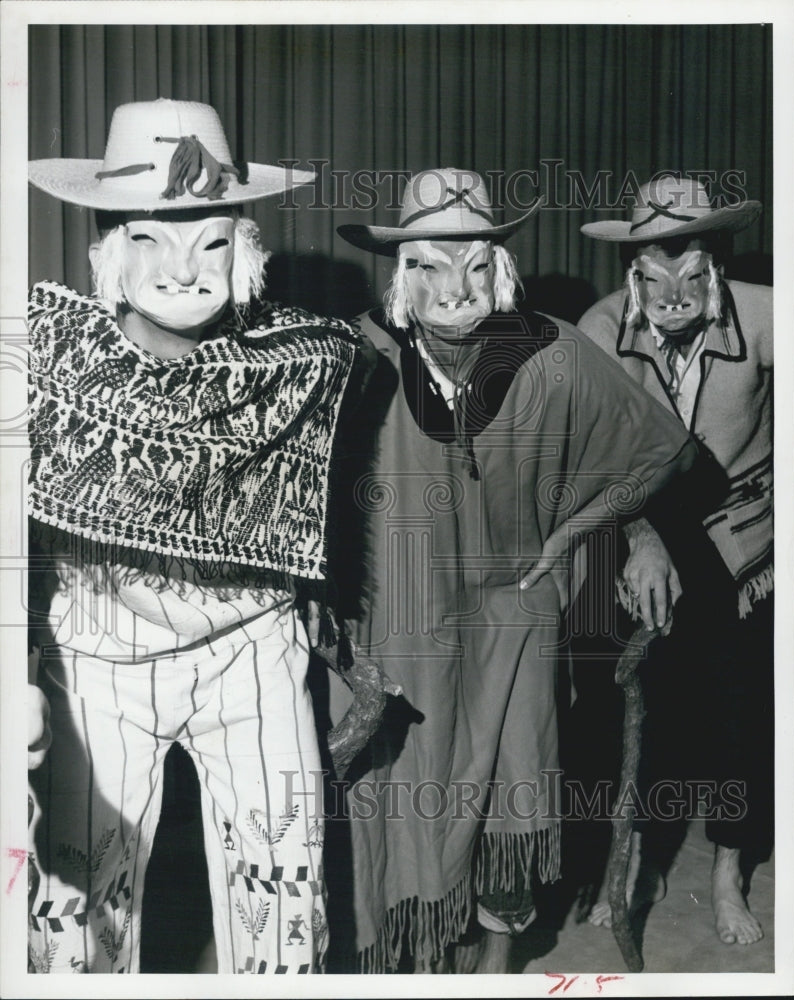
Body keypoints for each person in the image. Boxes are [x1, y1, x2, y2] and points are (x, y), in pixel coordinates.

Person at [331, 168, 699, 972]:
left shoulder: (553, 352)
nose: (453, 288)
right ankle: (410, 956)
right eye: (429, 265)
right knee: (399, 798)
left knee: (513, 786)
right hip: (401, 617)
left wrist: (585, 533)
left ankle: (497, 960)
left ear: (499, 269)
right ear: (403, 275)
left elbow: (655, 450)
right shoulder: (357, 358)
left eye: (473, 264)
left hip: (515, 615)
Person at [26, 98, 359, 974]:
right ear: (107, 254)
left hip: (252, 650)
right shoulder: (40, 364)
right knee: (76, 912)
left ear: (245, 252)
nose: (180, 268)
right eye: (148, 239)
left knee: (286, 891)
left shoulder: (305, 367)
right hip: (96, 660)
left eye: (208, 240)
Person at [578, 174, 773, 946]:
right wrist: (639, 539)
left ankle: (727, 869)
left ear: (714, 259)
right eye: (650, 272)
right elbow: (591, 455)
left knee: (742, 708)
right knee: (627, 701)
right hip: (641, 524)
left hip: (748, 531)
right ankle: (632, 858)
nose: (671, 290)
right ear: (630, 269)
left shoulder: (767, 317)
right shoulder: (598, 328)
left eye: (687, 268)